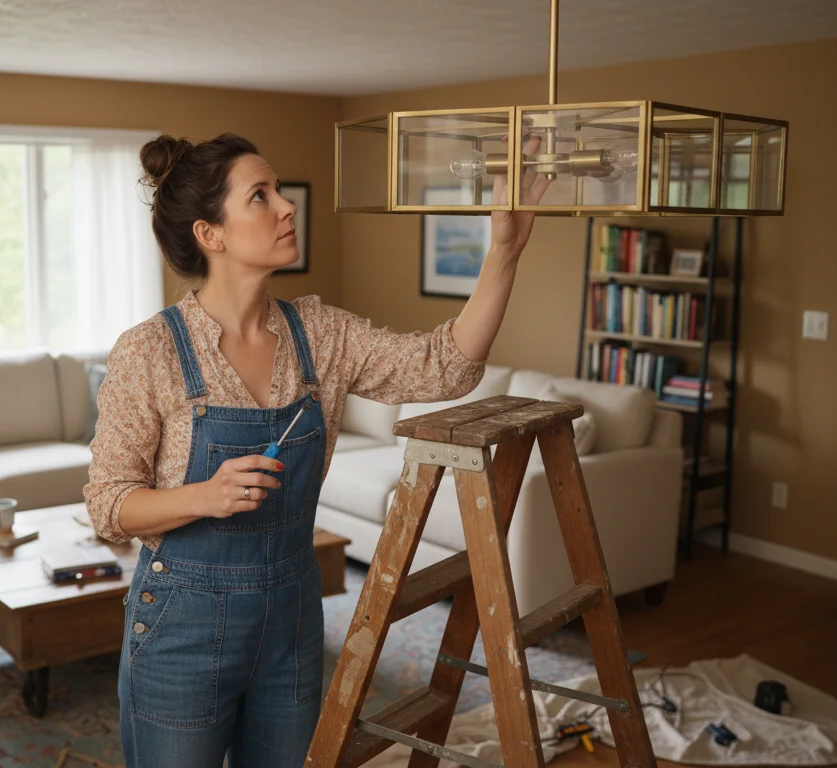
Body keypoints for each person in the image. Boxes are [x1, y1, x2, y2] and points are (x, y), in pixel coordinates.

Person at [83, 131, 548, 768]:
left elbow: (446, 369)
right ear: (210, 234)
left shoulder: (321, 335)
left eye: (278, 191)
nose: (286, 206)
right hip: (179, 633)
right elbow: (108, 505)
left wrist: (505, 251)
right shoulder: (149, 351)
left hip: (292, 623)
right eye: (261, 196)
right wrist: (204, 496)